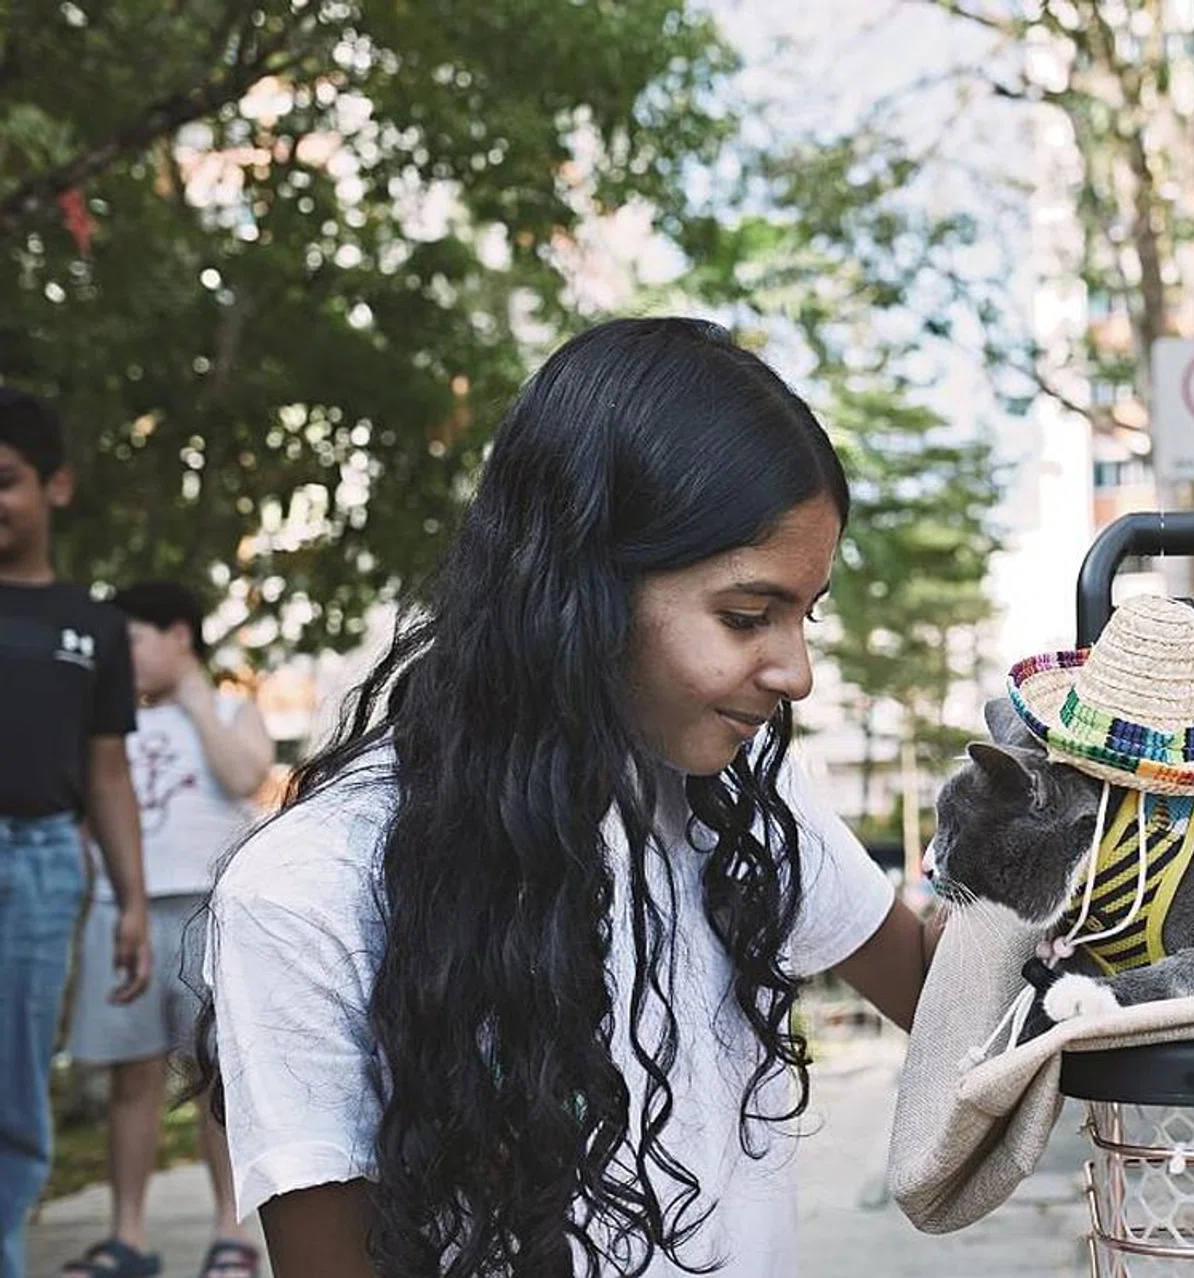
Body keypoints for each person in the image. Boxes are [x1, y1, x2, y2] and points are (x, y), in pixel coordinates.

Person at [203, 318, 943, 1277]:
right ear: (577, 589)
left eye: (806, 615)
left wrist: (1089, 825)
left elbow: (941, 995)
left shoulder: (738, 800)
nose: (796, 672)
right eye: (747, 615)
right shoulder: (310, 891)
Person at [60, 582, 274, 1278]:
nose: (121, 658)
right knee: (132, 1076)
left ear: (180, 634)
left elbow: (246, 773)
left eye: (134, 641)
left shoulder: (234, 708)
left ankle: (230, 1233)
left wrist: (196, 701)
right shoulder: (106, 717)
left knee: (215, 1078)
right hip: (121, 910)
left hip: (206, 910)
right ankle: (125, 1235)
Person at [0, 388, 152, 1278]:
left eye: (7, 481)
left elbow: (109, 775)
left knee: (17, 1078)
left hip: (44, 867)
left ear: (55, 487)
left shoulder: (93, 628)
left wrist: (131, 901)